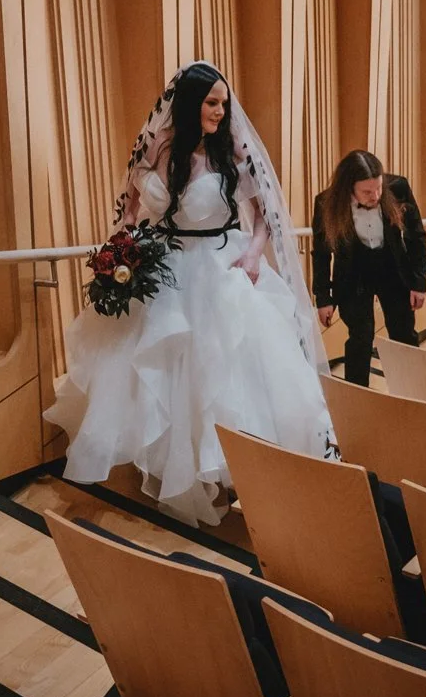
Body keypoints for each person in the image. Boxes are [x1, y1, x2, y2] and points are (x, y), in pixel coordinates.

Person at [44, 63, 334, 525]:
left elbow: (265, 216)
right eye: (211, 103)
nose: (220, 111)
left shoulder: (234, 151)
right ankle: (176, 473)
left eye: (223, 103)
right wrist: (124, 249)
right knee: (162, 375)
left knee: (223, 373)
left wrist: (254, 255)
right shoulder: (157, 146)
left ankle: (231, 473)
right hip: (167, 269)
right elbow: (131, 209)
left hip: (221, 267)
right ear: (189, 104)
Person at [310, 150, 426, 387]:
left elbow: (417, 237)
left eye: (378, 188)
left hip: (392, 268)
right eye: (367, 192)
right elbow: (321, 254)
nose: (375, 196)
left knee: (403, 333)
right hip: (353, 274)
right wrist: (323, 298)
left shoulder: (398, 188)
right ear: (349, 187)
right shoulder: (326, 203)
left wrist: (419, 282)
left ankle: (414, 392)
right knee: (360, 338)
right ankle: (358, 397)